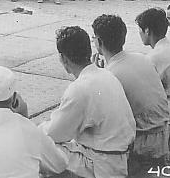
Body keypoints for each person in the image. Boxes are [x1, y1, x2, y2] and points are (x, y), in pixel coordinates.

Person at [40, 26, 135, 178]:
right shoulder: (107, 75)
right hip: (118, 158)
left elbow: (55, 134)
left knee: (40, 146)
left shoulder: (79, 88)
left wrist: (40, 128)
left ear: (63, 59)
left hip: (101, 164)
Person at [91, 14, 170, 164]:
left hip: (141, 141)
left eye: (93, 38)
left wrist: (94, 78)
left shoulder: (109, 75)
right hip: (163, 134)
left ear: (99, 41)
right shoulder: (142, 58)